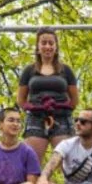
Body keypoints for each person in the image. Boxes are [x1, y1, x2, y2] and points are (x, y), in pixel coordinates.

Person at [18, 27, 78, 161]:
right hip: (36, 119)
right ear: (38, 47)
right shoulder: (29, 70)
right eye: (44, 43)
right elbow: (21, 99)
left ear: (56, 47)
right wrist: (34, 108)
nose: (47, 46)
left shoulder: (66, 70)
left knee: (67, 163)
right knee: (31, 163)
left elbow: (74, 100)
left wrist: (61, 109)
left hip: (62, 119)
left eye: (51, 43)